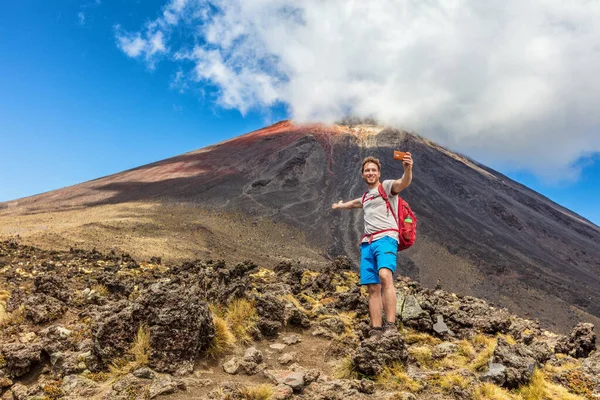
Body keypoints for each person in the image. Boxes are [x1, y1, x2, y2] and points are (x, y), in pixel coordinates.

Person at [332, 153, 413, 337]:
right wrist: (340, 206)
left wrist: (408, 168)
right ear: (363, 174)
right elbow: (354, 204)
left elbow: (403, 182)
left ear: (379, 173)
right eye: (367, 170)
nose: (370, 173)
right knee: (372, 287)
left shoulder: (386, 187)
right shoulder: (366, 197)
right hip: (367, 243)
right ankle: (376, 329)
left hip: (386, 239)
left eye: (373, 170)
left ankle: (391, 325)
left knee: (385, 276)